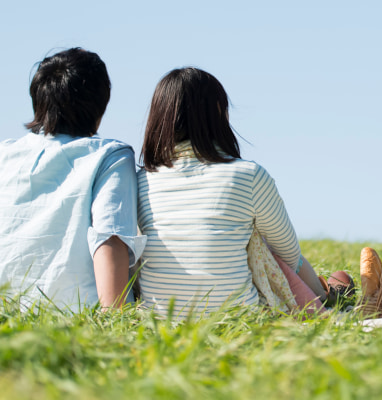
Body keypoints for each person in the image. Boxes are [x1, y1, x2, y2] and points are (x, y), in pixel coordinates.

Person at [136, 67, 351, 318]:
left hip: (159, 321)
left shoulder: (142, 182)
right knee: (265, 244)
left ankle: (327, 295)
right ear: (219, 113)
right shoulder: (247, 175)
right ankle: (325, 299)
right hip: (239, 319)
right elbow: (289, 254)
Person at [0, 48, 145, 312]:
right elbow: (109, 238)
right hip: (73, 313)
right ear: (101, 106)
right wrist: (116, 320)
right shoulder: (109, 156)